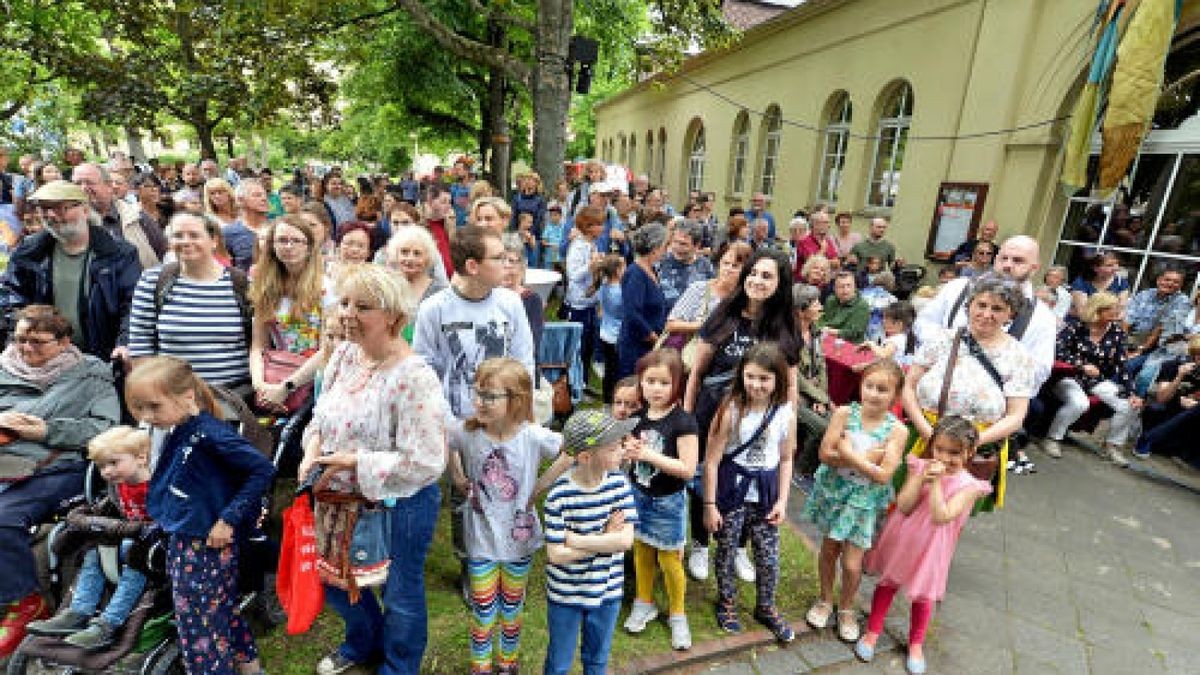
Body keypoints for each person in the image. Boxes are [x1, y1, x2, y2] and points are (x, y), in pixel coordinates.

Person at [297, 264, 448, 675]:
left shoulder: (415, 377)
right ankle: (364, 642)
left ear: (395, 318)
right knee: (338, 582)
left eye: (363, 306)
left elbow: (428, 461)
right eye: (344, 302)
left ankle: (399, 665)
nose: (347, 313)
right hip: (335, 496)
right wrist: (312, 449)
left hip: (400, 504)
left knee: (400, 591)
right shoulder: (345, 353)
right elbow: (321, 416)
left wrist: (355, 462)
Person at [125, 356, 274, 675]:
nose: (147, 417)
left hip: (203, 545)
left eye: (153, 407)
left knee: (200, 635)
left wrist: (228, 519)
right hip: (187, 537)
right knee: (223, 614)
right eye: (140, 408)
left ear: (187, 396)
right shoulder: (180, 428)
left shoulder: (211, 434)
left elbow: (262, 469)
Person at [0, 305, 121, 656]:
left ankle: (25, 602)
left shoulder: (90, 375)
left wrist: (48, 431)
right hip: (5, 461)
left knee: (4, 518)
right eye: (21, 339)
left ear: (65, 342)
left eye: (38, 342)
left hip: (58, 466)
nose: (26, 349)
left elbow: (105, 430)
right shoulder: (4, 366)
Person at [448, 358, 571, 675]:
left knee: (512, 609)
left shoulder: (532, 436)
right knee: (484, 611)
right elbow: (447, 442)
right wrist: (458, 475)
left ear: (516, 400)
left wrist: (541, 486)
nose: (479, 402)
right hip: (481, 542)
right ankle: (480, 667)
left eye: (489, 396)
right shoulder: (467, 432)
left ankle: (507, 664)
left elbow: (572, 449)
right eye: (477, 393)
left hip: (520, 541)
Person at [683, 248, 798, 581]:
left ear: (780, 283)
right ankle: (702, 543)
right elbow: (697, 373)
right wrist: (688, 419)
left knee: (751, 480)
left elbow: (789, 384)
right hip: (713, 415)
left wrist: (788, 424)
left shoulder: (783, 328)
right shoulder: (723, 314)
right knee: (706, 476)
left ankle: (738, 547)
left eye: (766, 276)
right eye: (753, 273)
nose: (757, 281)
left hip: (759, 424)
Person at [855, 416, 994, 675]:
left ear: (970, 452)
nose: (944, 458)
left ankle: (916, 643)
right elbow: (905, 505)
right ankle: (873, 631)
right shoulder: (919, 466)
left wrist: (938, 483)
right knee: (887, 583)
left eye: (954, 453)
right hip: (904, 537)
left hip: (933, 548)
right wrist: (920, 478)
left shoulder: (971, 487)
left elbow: (942, 516)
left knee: (924, 595)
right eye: (939, 449)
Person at [903, 273, 1036, 505]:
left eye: (997, 308)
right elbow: (909, 386)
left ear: (1010, 314)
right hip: (924, 436)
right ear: (969, 305)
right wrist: (928, 432)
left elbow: (1016, 416)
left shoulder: (1018, 356)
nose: (986, 314)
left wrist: (972, 442)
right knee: (903, 506)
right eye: (981, 305)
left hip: (973, 449)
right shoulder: (942, 339)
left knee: (947, 517)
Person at [801, 360, 908, 643]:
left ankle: (846, 607)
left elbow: (885, 475)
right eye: (869, 386)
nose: (873, 394)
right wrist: (868, 459)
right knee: (829, 550)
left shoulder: (897, 430)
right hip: (835, 492)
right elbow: (825, 454)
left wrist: (849, 455)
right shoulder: (845, 414)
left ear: (895, 396)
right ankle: (825, 599)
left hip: (863, 501)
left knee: (851, 563)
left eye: (882, 389)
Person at [702, 343, 797, 643]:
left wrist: (782, 500)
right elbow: (713, 460)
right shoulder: (731, 410)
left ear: (778, 380)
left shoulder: (785, 412)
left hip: (766, 491)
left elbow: (786, 458)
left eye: (764, 379)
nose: (756, 384)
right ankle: (727, 600)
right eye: (750, 376)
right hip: (732, 489)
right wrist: (709, 504)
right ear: (741, 374)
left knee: (768, 557)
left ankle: (766, 606)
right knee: (727, 549)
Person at [26, 426, 152, 649]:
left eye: (114, 463)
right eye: (102, 466)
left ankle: (109, 624)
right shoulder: (118, 485)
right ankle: (78, 612)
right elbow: (111, 507)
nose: (107, 471)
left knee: (133, 564)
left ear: (141, 458)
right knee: (94, 554)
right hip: (125, 537)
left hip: (150, 548)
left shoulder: (154, 486)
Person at [542, 409, 638, 675]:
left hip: (607, 591)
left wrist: (578, 540)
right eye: (613, 447)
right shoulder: (559, 496)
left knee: (597, 660)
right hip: (565, 595)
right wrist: (605, 538)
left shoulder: (619, 484)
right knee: (559, 663)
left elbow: (625, 540)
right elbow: (556, 555)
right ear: (585, 456)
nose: (622, 450)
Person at [2, 180, 142, 362]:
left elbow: (133, 305)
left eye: (61, 208)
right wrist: (24, 336)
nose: (51, 215)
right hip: (44, 359)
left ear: (85, 210)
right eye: (44, 209)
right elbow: (12, 298)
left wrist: (124, 343)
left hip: (103, 358)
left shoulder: (119, 253)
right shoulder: (29, 252)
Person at [412, 225, 535, 419]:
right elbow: (424, 372)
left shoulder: (510, 303)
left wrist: (522, 414)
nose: (507, 264)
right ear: (472, 266)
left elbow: (524, 361)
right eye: (498, 258)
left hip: (502, 422)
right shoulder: (434, 308)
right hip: (453, 422)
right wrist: (447, 424)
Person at [621, 349, 699, 650]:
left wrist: (647, 454)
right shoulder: (637, 418)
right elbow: (632, 457)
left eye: (664, 383)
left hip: (668, 503)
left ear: (677, 385)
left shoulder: (684, 422)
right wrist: (628, 454)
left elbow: (687, 469)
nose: (656, 388)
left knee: (669, 560)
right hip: (639, 495)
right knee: (642, 552)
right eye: (650, 381)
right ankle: (644, 601)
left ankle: (678, 614)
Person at [915, 235, 1057, 393]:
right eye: (1003, 258)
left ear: (1034, 268)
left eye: (1018, 260)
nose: (1008, 265)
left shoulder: (1042, 317)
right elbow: (923, 323)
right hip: (936, 389)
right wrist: (944, 347)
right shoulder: (957, 288)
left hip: (996, 405)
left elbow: (1039, 370)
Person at [128, 212, 252, 389]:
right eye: (178, 236)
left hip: (233, 397)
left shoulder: (240, 284)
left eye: (194, 235)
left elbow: (258, 343)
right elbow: (141, 346)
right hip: (173, 396)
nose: (185, 241)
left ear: (214, 241)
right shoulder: (153, 281)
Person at [1044, 292, 1142, 465]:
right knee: (1080, 403)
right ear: (1099, 309)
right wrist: (1081, 365)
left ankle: (1112, 446)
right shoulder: (1076, 326)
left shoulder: (1116, 332)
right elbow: (1058, 350)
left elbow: (1122, 364)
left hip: (1097, 379)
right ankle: (1053, 438)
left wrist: (1131, 392)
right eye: (1113, 308)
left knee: (1128, 405)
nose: (1118, 311)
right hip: (1069, 375)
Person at [248, 214, 332, 411]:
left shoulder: (326, 288)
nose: (288, 246)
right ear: (272, 246)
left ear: (309, 247)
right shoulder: (265, 288)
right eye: (282, 240)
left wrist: (287, 387)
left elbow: (327, 349)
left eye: (296, 240)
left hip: (313, 382)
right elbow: (258, 346)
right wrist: (260, 384)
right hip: (275, 376)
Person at [72, 163, 166, 269]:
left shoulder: (137, 216)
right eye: (77, 183)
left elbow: (163, 253)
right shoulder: (67, 222)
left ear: (108, 186)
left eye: (89, 182)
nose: (83, 188)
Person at [663, 241, 752, 345]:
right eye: (725, 263)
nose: (728, 269)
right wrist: (705, 325)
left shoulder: (746, 296)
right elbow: (671, 325)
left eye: (735, 266)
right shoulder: (699, 288)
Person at [792, 284, 833, 482]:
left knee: (835, 423)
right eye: (815, 303)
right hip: (791, 396)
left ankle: (813, 471)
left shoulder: (815, 332)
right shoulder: (788, 336)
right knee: (821, 428)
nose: (820, 306)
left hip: (813, 394)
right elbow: (795, 377)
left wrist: (822, 398)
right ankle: (800, 473)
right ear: (800, 310)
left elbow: (822, 367)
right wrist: (819, 396)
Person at [617, 222, 668, 379]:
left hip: (650, 345)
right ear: (655, 248)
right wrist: (653, 336)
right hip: (637, 345)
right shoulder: (636, 274)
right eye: (665, 245)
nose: (666, 250)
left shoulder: (651, 269)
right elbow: (632, 312)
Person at [385, 225, 449, 342]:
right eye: (404, 252)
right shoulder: (386, 287)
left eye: (417, 253)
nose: (410, 259)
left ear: (428, 258)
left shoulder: (441, 292)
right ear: (395, 254)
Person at [562, 206, 604, 380]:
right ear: (588, 226)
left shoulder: (591, 244)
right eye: (599, 224)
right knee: (578, 347)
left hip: (591, 302)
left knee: (589, 346)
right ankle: (573, 384)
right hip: (579, 304)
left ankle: (584, 381)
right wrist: (590, 267)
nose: (603, 228)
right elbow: (573, 275)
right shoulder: (578, 246)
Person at [656, 221, 715, 313]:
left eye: (683, 244)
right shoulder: (659, 262)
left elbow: (710, 296)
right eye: (675, 242)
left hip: (692, 322)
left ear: (697, 245)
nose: (677, 247)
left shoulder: (705, 266)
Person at [500, 239, 545, 360]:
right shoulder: (488, 296)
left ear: (522, 267)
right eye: (502, 260)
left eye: (511, 261)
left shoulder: (532, 300)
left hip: (520, 368)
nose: (506, 265)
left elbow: (532, 343)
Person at [592, 254, 625, 403]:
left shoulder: (603, 286)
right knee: (617, 371)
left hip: (605, 333)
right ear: (618, 271)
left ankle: (607, 400)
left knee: (609, 370)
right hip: (617, 336)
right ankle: (616, 398)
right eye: (623, 266)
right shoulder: (620, 291)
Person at [1069, 251, 1130, 318]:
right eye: (1109, 265)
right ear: (1095, 268)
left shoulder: (1121, 283)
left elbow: (1121, 310)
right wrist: (1109, 314)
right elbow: (1083, 313)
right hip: (1081, 324)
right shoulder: (1081, 282)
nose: (1116, 268)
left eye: (1117, 264)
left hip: (1107, 324)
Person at [858, 301, 918, 368]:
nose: (883, 321)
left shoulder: (896, 340)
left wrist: (870, 344)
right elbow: (882, 358)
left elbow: (883, 355)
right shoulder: (897, 337)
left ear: (898, 324)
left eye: (886, 319)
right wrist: (866, 365)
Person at [819, 272, 871, 343]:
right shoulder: (831, 300)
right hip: (827, 341)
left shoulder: (862, 305)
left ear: (855, 287)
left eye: (849, 286)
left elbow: (854, 333)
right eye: (841, 286)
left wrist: (830, 331)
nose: (845, 290)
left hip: (851, 346)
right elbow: (822, 319)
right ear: (835, 288)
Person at [541, 202, 566, 269]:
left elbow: (567, 240)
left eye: (555, 215)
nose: (553, 217)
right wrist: (551, 245)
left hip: (561, 256)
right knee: (549, 273)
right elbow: (543, 241)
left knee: (562, 274)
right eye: (551, 215)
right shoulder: (548, 227)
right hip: (550, 255)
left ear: (560, 216)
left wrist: (561, 246)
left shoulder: (564, 227)